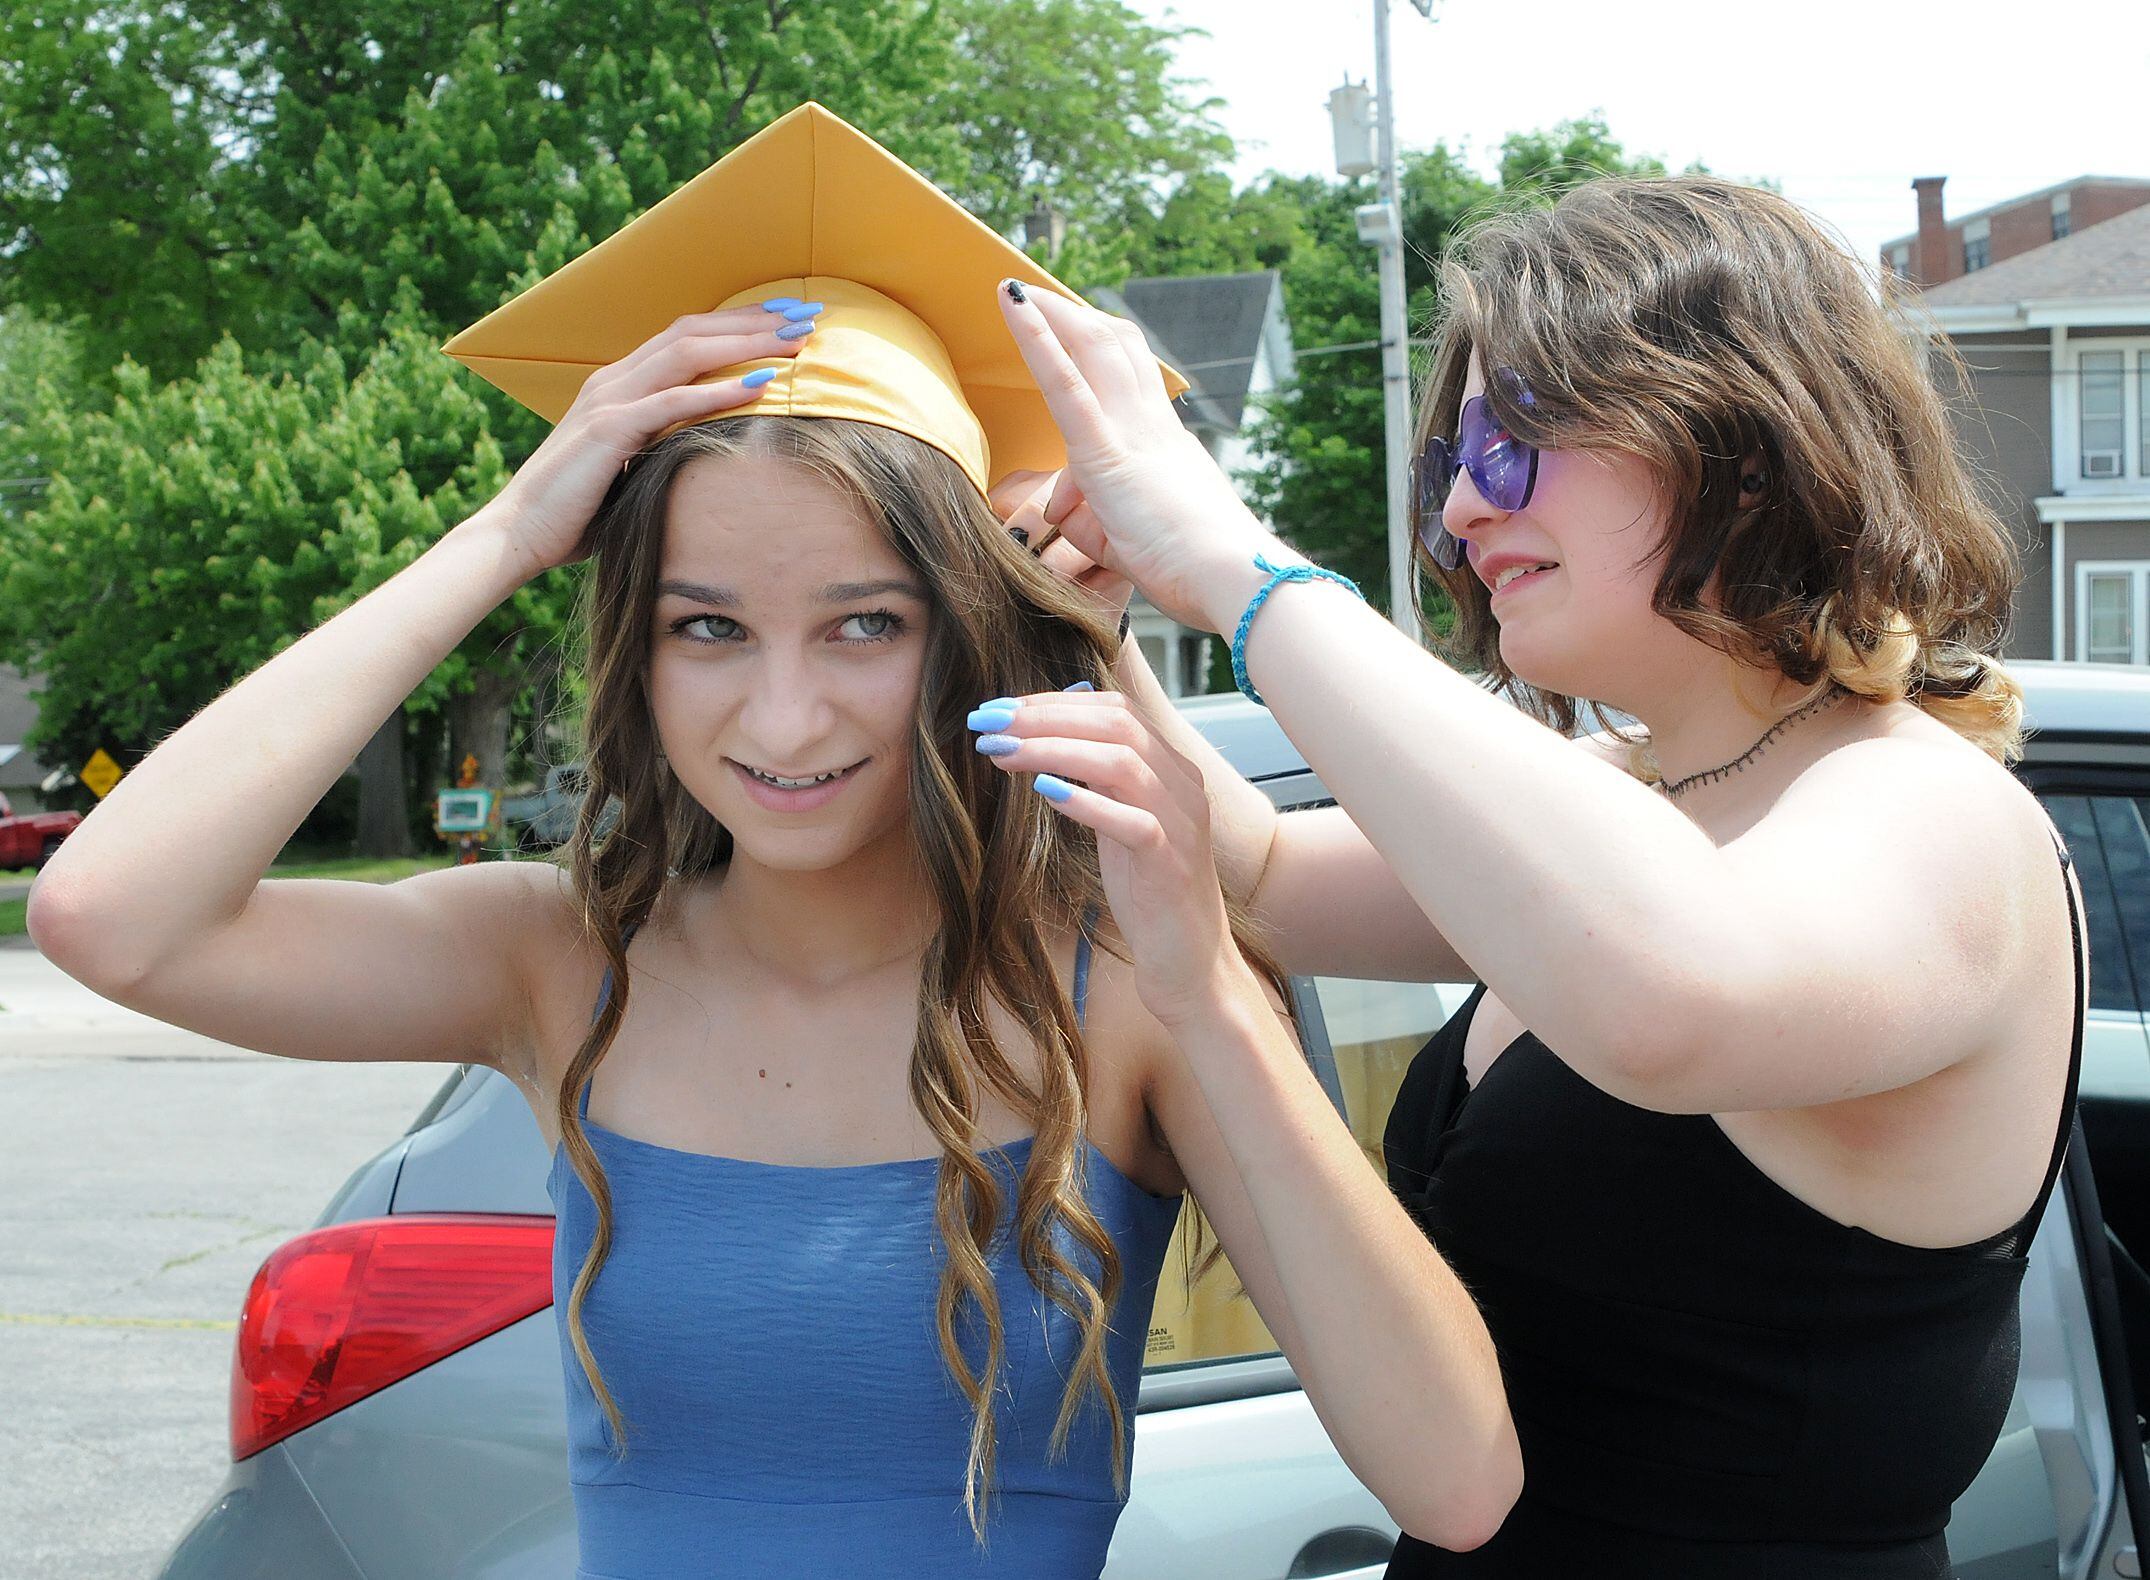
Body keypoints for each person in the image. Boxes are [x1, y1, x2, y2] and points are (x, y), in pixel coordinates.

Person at [28, 104, 1518, 1578]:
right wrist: (502, 536)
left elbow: (1453, 1480)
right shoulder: (561, 961)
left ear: (962, 634)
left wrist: (1207, 992)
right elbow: (113, 916)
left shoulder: (1123, 986)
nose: (785, 717)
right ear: (640, 648)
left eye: (864, 623)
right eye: (708, 628)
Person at [980, 174, 2085, 1577]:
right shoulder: (1638, 792)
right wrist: (1087, 627)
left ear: (1739, 439)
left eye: (1512, 441)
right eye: (1451, 453)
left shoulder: (1936, 819)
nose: (1457, 504)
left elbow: (1670, 1003)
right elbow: (1249, 867)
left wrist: (1230, 560)